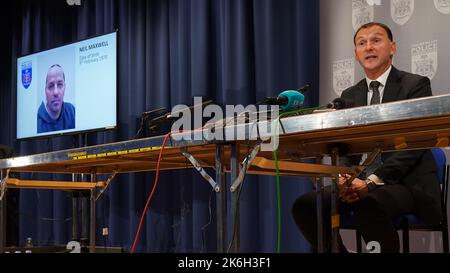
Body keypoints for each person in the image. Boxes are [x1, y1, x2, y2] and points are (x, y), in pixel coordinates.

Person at [292, 22, 442, 253]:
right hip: (358, 182)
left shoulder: (415, 85)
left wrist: (372, 182)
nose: (368, 47)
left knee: (368, 202)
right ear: (356, 53)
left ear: (392, 47)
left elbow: (416, 143)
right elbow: (342, 147)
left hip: (405, 183)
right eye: (362, 43)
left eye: (376, 40)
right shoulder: (349, 95)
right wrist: (344, 178)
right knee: (306, 205)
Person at [37, 64, 75, 133]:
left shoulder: (72, 111)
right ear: (45, 90)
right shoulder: (36, 123)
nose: (56, 92)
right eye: (51, 86)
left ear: (65, 87)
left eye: (60, 85)